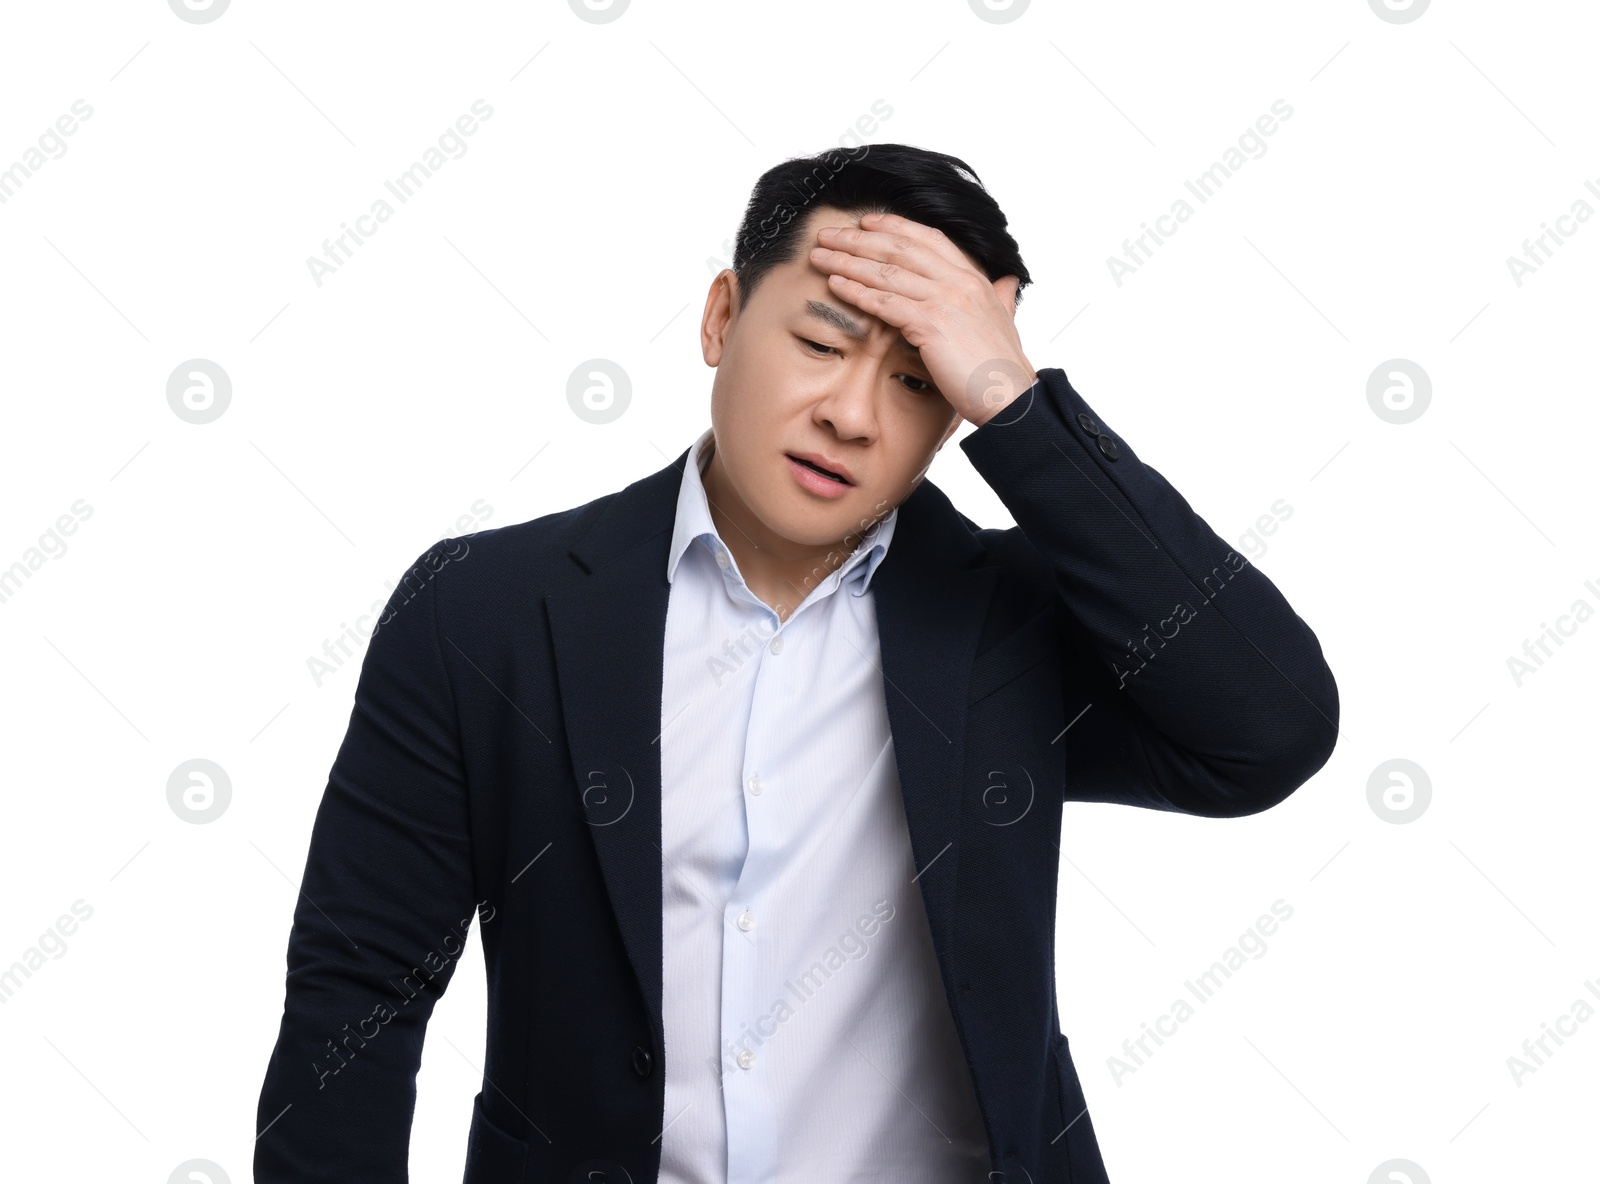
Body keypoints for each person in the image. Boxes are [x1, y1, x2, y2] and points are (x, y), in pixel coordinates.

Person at [253, 142, 1339, 1184]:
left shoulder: (1010, 627)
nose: (851, 414)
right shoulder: (484, 611)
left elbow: (1268, 728)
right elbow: (360, 991)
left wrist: (1015, 400)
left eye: (919, 383)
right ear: (722, 317)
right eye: (820, 344)